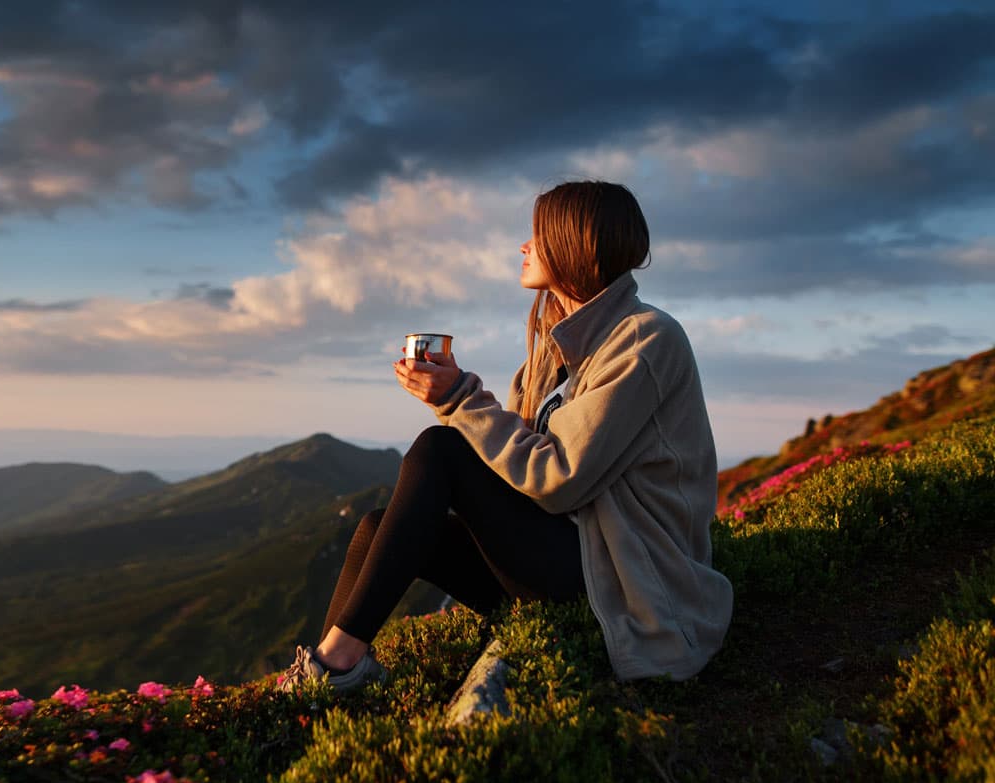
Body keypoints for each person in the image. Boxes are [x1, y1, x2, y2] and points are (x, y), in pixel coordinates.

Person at [279, 179, 734, 691]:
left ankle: (335, 666)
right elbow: (513, 468)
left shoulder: (647, 340)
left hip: (623, 579)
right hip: (567, 558)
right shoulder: (550, 351)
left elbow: (561, 479)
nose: (524, 246)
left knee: (440, 449)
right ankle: (324, 679)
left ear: (572, 242)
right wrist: (453, 399)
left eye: (536, 236)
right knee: (375, 528)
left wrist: (459, 402)